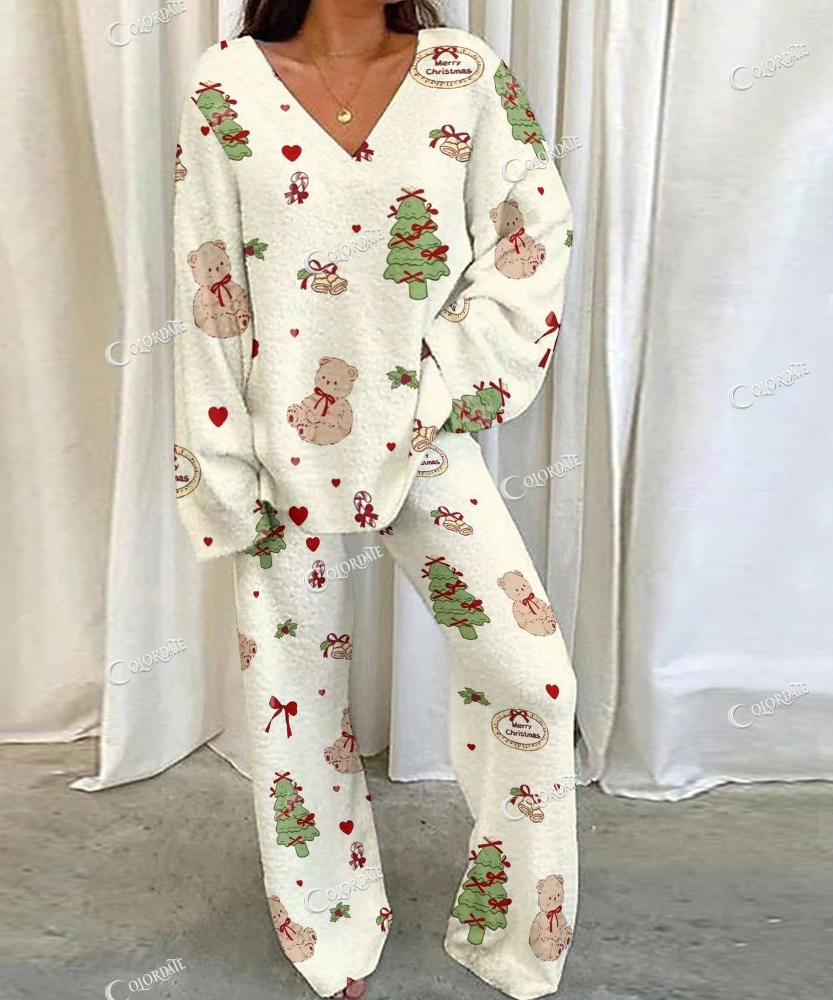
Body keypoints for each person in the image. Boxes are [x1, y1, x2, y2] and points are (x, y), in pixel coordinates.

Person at [171, 1, 576, 997]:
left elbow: (528, 239)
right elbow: (208, 288)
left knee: (531, 680)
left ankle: (512, 927)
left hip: (420, 437)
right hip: (279, 452)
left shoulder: (461, 73)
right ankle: (329, 923)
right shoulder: (227, 85)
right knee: (295, 709)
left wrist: (440, 391)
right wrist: (222, 469)